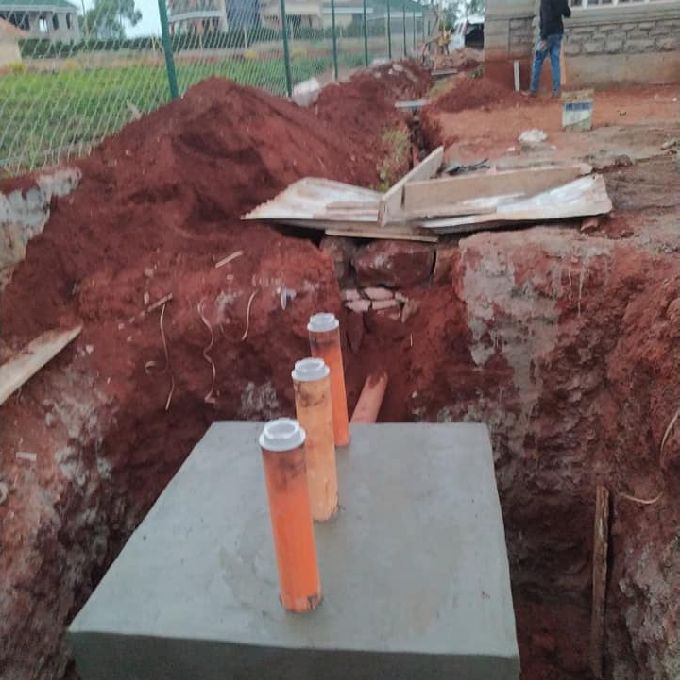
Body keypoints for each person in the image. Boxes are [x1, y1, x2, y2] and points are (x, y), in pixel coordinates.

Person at [525, 0, 571, 98]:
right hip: (558, 32)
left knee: (538, 60)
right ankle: (556, 91)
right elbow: (567, 12)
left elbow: (546, 17)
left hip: (547, 34)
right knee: (555, 62)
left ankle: (533, 90)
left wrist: (544, 37)